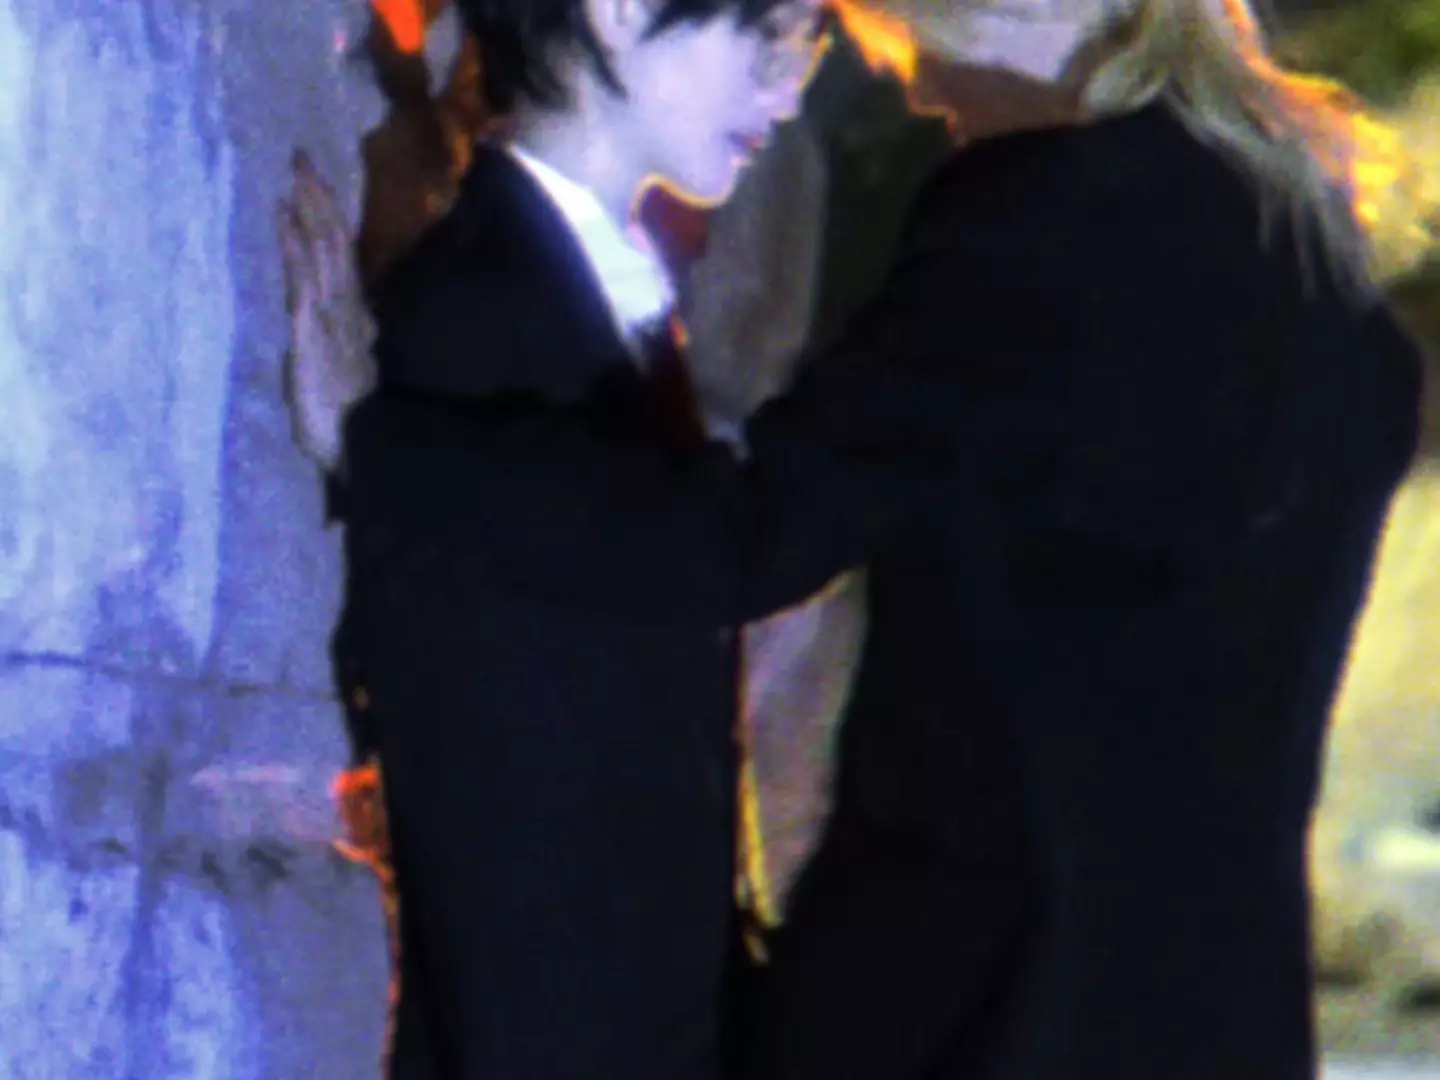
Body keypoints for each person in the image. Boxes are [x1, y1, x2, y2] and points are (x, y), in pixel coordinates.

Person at [321, 0, 1429, 1076]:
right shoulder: (1321, 267)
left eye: (895, 40)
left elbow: (736, 540)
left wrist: (375, 445)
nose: (917, 90)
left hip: (973, 1004)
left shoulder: (1043, 220)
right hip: (1220, 1016)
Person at [286, 0, 830, 1077]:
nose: (788, 87)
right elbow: (505, 833)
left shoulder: (586, 292)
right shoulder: (481, 317)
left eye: (808, 46)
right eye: (766, 34)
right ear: (618, 11)